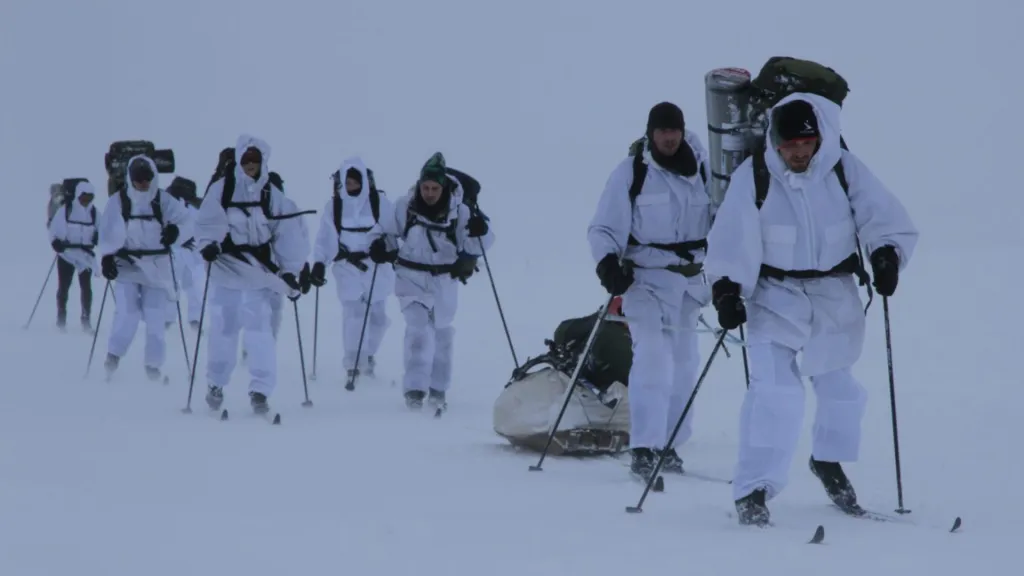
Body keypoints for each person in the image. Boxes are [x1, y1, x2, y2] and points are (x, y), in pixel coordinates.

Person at [703, 93, 919, 526]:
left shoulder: (842, 167)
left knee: (841, 389)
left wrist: (887, 256)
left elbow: (883, 216)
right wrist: (727, 290)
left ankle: (828, 460)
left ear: (819, 139)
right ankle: (754, 490)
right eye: (791, 145)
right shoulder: (756, 175)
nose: (800, 152)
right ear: (776, 143)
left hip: (834, 294)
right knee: (776, 393)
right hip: (774, 294)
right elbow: (731, 235)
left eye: (807, 143)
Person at [587, 101, 714, 483]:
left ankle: (670, 444)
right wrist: (607, 263)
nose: (669, 137)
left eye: (674, 130)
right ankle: (644, 447)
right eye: (662, 131)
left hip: (691, 283)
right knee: (653, 359)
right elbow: (603, 227)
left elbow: (728, 220)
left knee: (685, 363)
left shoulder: (707, 170)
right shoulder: (632, 172)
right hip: (644, 279)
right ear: (651, 133)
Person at [194, 135, 313, 414]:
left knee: (260, 331)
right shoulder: (221, 190)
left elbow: (288, 235)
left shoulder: (272, 195)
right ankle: (216, 383)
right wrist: (208, 245)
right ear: (238, 161)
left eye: (255, 160)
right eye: (245, 160)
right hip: (227, 267)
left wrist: (291, 270)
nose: (250, 165)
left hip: (259, 270)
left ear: (263, 162)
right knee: (225, 329)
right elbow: (206, 223)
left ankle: (260, 390)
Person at [369, 152, 495, 410]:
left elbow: (477, 244)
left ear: (443, 187)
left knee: (442, 334)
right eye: (425, 187)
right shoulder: (405, 206)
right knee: (418, 329)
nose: (428, 193)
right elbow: (387, 232)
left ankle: (438, 388)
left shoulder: (459, 212)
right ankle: (414, 389)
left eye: (434, 188)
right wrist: (381, 246)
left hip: (445, 281)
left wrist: (480, 231)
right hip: (410, 277)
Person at [96, 156, 194, 381]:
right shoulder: (118, 201)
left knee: (155, 318)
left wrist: (176, 233)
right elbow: (107, 231)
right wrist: (107, 257)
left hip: (157, 266)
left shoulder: (164, 201)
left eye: (147, 178)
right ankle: (113, 356)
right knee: (128, 314)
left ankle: (153, 367)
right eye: (138, 178)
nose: (143, 183)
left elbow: (187, 222)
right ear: (131, 178)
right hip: (128, 265)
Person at [309, 157, 395, 381]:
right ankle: (353, 364)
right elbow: (325, 239)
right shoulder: (334, 206)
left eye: (355, 182)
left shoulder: (380, 203)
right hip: (346, 266)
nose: (351, 186)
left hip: (376, 266)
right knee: (354, 314)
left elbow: (395, 232)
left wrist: (386, 248)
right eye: (347, 182)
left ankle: (367, 356)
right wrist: (319, 263)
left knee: (377, 318)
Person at [48, 180, 98, 332]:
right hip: (67, 254)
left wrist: (98, 236)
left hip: (85, 255)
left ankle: (86, 319)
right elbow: (54, 230)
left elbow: (103, 228)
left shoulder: (94, 213)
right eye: (84, 197)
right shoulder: (65, 210)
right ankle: (61, 318)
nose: (86, 201)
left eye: (89, 198)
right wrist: (56, 242)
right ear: (77, 196)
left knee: (86, 287)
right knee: (64, 287)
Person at [166, 176, 205, 329]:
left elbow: (199, 227)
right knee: (171, 286)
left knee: (193, 287)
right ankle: (167, 319)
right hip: (173, 253)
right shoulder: (168, 206)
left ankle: (194, 319)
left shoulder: (194, 208)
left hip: (189, 254)